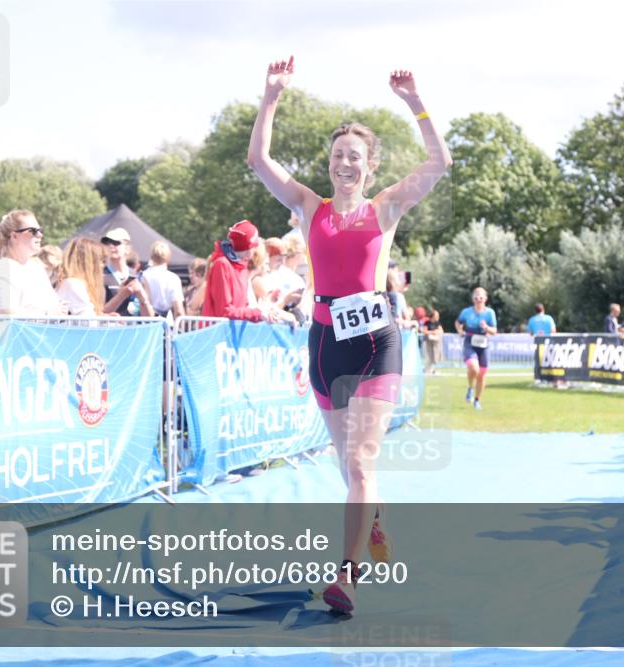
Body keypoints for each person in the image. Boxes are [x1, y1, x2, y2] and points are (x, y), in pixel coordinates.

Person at [248, 56, 451, 613]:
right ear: (330, 163)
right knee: (349, 467)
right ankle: (376, 522)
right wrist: (271, 96)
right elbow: (259, 159)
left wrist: (415, 102)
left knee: (361, 463)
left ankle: (348, 575)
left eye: (354, 157)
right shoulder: (309, 208)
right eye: (337, 156)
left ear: (368, 165)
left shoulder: (386, 208)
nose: (344, 164)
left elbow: (440, 162)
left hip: (375, 344)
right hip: (323, 343)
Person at [201, 220, 296, 323]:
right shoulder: (222, 265)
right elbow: (224, 312)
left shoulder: (242, 265)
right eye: (251, 247)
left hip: (233, 332)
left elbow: (244, 306)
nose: (253, 252)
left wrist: (270, 312)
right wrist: (258, 314)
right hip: (216, 333)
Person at [0, 210, 65, 316]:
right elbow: (6, 313)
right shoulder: (3, 269)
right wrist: (48, 314)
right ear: (14, 236)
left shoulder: (36, 268)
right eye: (33, 231)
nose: (40, 235)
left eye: (40, 230)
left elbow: (55, 308)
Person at [455, 287, 497, 409]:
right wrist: (459, 330)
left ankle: (477, 400)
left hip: (483, 344)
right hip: (470, 342)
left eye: (481, 297)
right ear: (473, 299)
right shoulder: (466, 312)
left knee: (482, 375)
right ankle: (470, 387)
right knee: (474, 368)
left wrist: (487, 328)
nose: (478, 299)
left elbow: (494, 331)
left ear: (485, 299)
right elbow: (458, 322)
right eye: (476, 297)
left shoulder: (490, 313)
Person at [101, 228, 151, 317]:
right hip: (110, 328)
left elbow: (149, 317)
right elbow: (99, 313)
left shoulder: (137, 275)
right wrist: (123, 294)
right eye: (107, 242)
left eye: (116, 243)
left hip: (135, 329)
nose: (111, 246)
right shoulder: (101, 276)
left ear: (127, 249)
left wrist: (143, 298)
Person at [57, 238, 107, 317]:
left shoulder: (78, 284)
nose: (102, 265)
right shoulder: (74, 284)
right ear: (89, 262)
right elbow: (88, 320)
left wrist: (105, 316)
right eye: (100, 260)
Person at [141, 241, 185, 318]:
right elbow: (179, 310)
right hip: (167, 323)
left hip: (147, 321)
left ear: (152, 257)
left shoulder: (143, 276)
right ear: (168, 258)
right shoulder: (173, 278)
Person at [421, 309, 443, 375]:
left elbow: (441, 331)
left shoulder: (438, 323)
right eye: (437, 315)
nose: (438, 317)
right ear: (433, 316)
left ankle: (432, 370)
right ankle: (426, 370)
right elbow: (424, 331)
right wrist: (433, 332)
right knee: (428, 356)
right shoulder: (427, 323)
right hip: (428, 342)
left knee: (434, 357)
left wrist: (437, 332)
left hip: (435, 342)